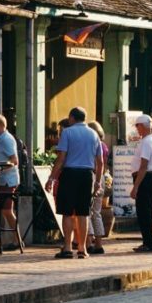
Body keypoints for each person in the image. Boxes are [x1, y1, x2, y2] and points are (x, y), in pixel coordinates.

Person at [45, 107, 103, 259]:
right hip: (87, 175)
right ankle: (83, 248)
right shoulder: (94, 134)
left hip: (70, 174)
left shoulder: (67, 132)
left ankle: (67, 247)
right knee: (83, 213)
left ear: (71, 118)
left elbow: (61, 158)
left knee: (67, 212)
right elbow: (100, 161)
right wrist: (97, 182)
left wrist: (52, 178)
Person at [0, 114, 21, 251]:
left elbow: (14, 161)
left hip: (8, 180)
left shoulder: (6, 139)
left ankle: (17, 241)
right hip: (3, 179)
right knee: (2, 209)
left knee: (7, 210)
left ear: (1, 126)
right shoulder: (0, 139)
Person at [129, 114, 152, 253]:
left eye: (137, 126)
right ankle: (148, 242)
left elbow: (143, 165)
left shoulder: (147, 141)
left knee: (144, 212)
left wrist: (135, 186)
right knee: (146, 211)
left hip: (144, 178)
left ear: (142, 126)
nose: (137, 129)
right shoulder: (149, 140)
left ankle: (148, 243)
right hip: (145, 178)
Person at [84, 121, 110, 255]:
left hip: (92, 176)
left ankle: (88, 242)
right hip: (102, 178)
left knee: (86, 211)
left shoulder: (92, 144)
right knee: (97, 212)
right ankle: (99, 244)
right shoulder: (104, 146)